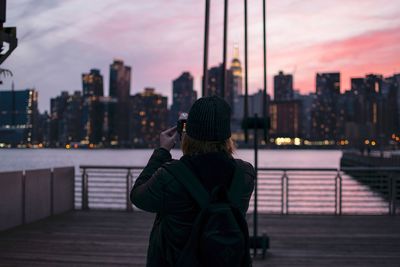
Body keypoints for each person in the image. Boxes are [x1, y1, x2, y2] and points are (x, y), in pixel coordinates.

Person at [130, 96, 255, 267]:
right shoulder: (245, 174)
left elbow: (138, 197)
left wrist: (162, 151)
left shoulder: (170, 176)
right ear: (227, 135)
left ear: (187, 134)